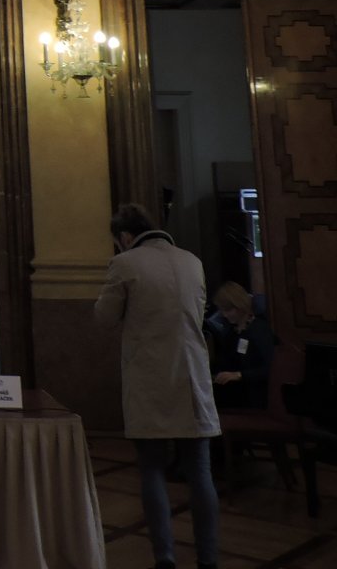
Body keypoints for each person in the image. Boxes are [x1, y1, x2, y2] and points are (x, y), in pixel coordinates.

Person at [96, 203, 220, 569]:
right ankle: (209, 558)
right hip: (192, 376)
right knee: (200, 472)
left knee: (151, 468)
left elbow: (104, 318)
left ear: (124, 237)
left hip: (150, 378)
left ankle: (164, 557)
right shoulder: (192, 261)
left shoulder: (125, 264)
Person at [208, 281, 274, 411]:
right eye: (222, 311)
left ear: (240, 305)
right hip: (235, 392)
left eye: (228, 310)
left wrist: (239, 375)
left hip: (254, 395)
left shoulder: (259, 330)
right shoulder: (231, 331)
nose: (225, 315)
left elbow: (270, 369)